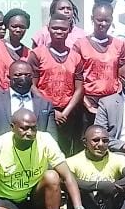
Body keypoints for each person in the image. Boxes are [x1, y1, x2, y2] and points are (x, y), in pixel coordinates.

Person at [28, 14, 84, 153]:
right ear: (48, 29)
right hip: (44, 111)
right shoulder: (37, 54)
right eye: (55, 28)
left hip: (67, 114)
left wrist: (65, 112)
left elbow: (79, 89)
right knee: (44, 149)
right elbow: (32, 85)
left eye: (63, 29)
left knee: (65, 151)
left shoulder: (76, 57)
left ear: (69, 30)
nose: (59, 32)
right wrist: (52, 110)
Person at [0, 60, 57, 150]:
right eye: (18, 75)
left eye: (27, 75)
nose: (23, 78)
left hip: (34, 154)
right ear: (9, 77)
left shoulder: (45, 105)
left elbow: (52, 137)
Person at [76, 0, 125, 117]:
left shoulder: (119, 45)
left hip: (112, 101)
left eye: (107, 20)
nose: (103, 24)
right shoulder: (80, 45)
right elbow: (75, 79)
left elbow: (122, 76)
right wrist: (87, 104)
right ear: (92, 18)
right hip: (88, 102)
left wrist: (116, 98)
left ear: (111, 20)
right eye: (99, 20)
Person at [0, 8, 31, 92]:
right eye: (14, 26)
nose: (18, 30)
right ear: (7, 26)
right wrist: (4, 97)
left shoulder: (29, 53)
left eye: (22, 27)